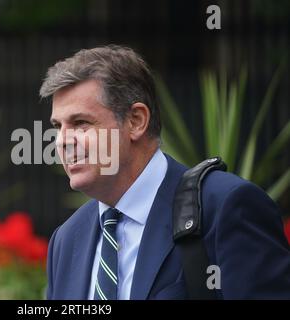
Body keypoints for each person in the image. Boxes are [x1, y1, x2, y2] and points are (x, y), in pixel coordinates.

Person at [39, 45, 290, 300]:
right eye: (58, 126)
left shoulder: (225, 207)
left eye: (81, 123)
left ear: (136, 121)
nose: (62, 141)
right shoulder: (67, 239)